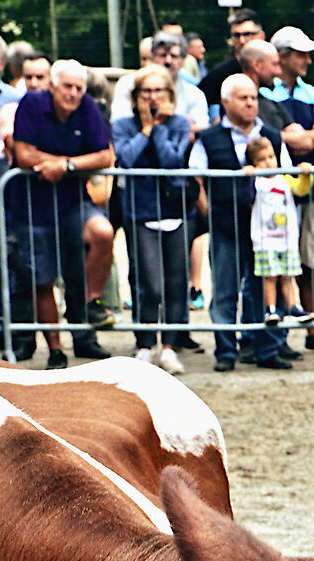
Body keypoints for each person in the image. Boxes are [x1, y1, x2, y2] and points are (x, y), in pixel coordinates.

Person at [6, 59, 116, 366]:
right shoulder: (31, 103)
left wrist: (64, 166)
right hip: (31, 207)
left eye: (79, 87)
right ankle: (55, 348)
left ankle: (90, 304)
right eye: (67, 86)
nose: (73, 93)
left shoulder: (88, 108)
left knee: (102, 233)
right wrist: (73, 161)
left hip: (72, 201)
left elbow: (106, 155)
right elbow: (23, 154)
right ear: (52, 86)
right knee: (43, 279)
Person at [189, 70, 288, 371]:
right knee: (225, 291)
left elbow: (286, 174)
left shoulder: (271, 136)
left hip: (266, 228)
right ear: (225, 103)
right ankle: (226, 351)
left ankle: (268, 349)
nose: (250, 103)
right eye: (243, 98)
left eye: (254, 98)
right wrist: (209, 211)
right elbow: (196, 178)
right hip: (226, 226)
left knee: (265, 289)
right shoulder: (208, 138)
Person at [112, 64, 196, 371]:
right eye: (146, 91)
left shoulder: (178, 124)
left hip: (175, 210)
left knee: (176, 282)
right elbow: (126, 159)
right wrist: (146, 129)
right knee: (150, 283)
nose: (152, 97)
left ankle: (169, 345)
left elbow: (172, 160)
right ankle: (145, 342)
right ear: (135, 97)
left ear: (169, 94)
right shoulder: (123, 125)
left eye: (159, 90)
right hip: (140, 211)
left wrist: (158, 128)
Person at [263, 28, 314, 348]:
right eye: (301, 53)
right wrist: (303, 137)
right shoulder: (265, 95)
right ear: (282, 56)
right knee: (275, 263)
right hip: (275, 195)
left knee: (310, 258)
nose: (308, 59)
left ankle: (313, 327)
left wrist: (296, 137)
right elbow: (278, 137)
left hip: (311, 190)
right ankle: (278, 337)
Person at [244, 131, 305, 334]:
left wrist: (306, 174)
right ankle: (271, 309)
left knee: (287, 276)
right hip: (265, 239)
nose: (268, 163)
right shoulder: (257, 182)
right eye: (261, 160)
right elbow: (247, 196)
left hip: (286, 238)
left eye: (271, 157)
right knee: (270, 277)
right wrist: (248, 177)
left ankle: (292, 307)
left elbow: (301, 189)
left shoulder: (284, 178)